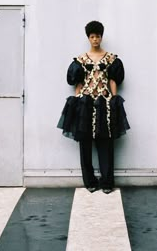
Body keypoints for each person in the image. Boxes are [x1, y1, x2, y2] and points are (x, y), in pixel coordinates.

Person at [57, 21, 130, 194]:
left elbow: (113, 80)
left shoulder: (111, 58)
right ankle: (89, 181)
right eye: (92, 36)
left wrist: (113, 100)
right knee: (85, 143)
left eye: (97, 36)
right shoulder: (81, 60)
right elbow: (78, 82)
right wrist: (77, 100)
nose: (95, 39)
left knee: (106, 142)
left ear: (101, 37)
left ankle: (106, 182)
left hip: (104, 102)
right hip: (85, 103)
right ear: (88, 38)